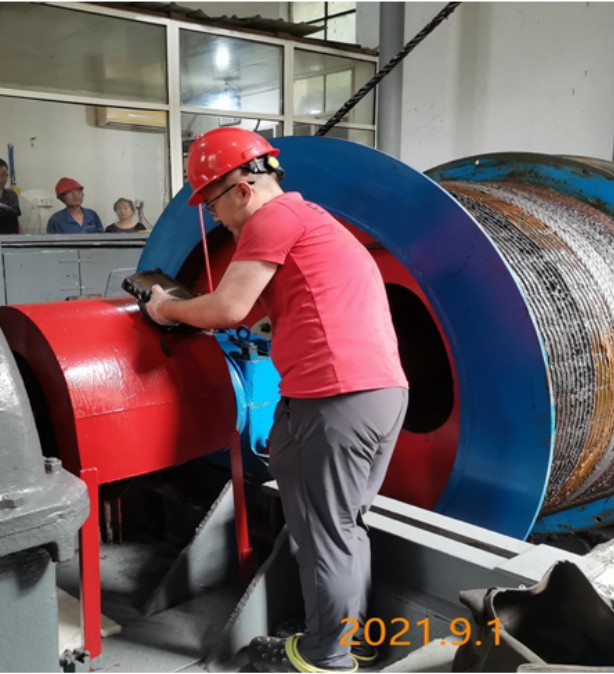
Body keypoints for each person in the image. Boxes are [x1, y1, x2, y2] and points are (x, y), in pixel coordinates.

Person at [145, 128, 409, 673]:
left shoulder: (270, 219)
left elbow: (226, 309)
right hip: (380, 395)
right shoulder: (313, 220)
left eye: (212, 203)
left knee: (323, 536)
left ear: (242, 189)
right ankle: (352, 640)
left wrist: (165, 308)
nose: (215, 217)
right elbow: (253, 310)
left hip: (332, 400)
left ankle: (324, 658)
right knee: (345, 527)